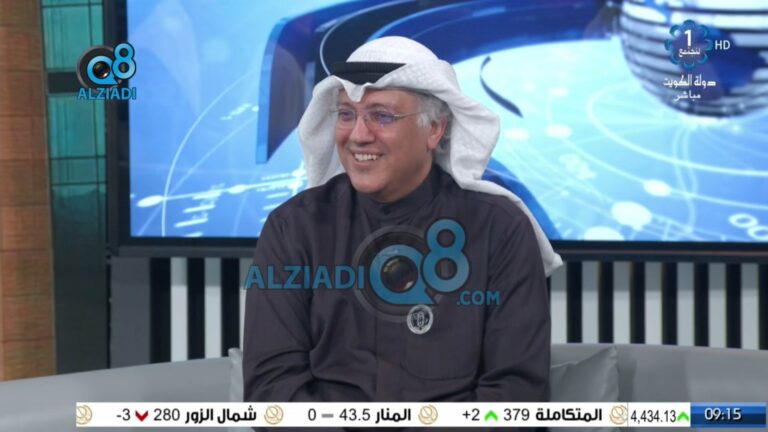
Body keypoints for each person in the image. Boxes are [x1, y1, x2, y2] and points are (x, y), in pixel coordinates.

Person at [243, 36, 561, 412]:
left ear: (435, 129)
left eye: (382, 116)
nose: (359, 135)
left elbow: (515, 394)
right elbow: (273, 388)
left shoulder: (499, 229)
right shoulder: (294, 228)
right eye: (346, 114)